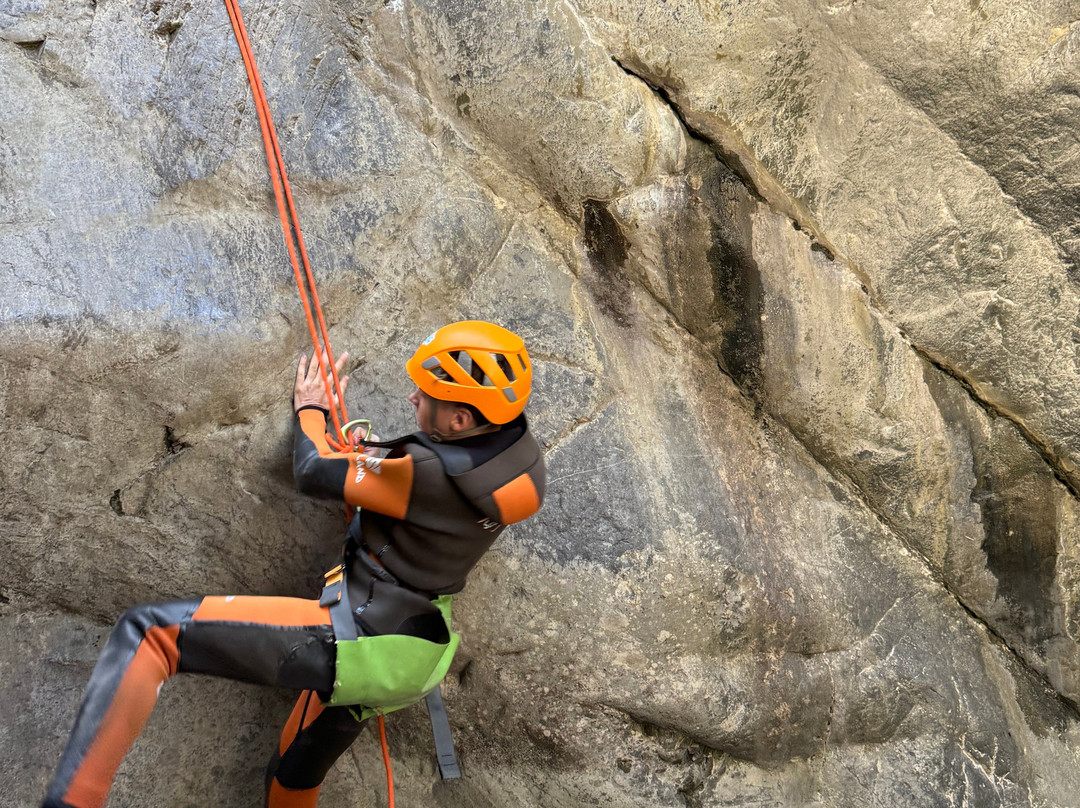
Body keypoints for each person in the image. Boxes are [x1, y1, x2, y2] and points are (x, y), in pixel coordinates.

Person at [41, 320, 546, 808]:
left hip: (367, 636)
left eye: (427, 394)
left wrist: (311, 411)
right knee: (293, 773)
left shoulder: (427, 474)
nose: (413, 396)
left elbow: (312, 468)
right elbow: (425, 505)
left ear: (460, 420)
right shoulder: (518, 465)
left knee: (150, 634)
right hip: (412, 651)